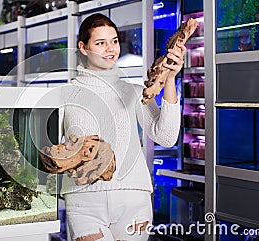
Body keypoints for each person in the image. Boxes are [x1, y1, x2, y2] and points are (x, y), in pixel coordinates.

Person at [61, 13, 186, 241]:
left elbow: (166, 137)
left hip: (133, 198)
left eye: (115, 41)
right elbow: (54, 151)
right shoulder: (65, 95)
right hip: (83, 202)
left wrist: (170, 79)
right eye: (100, 43)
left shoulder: (134, 91)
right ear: (83, 47)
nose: (111, 49)